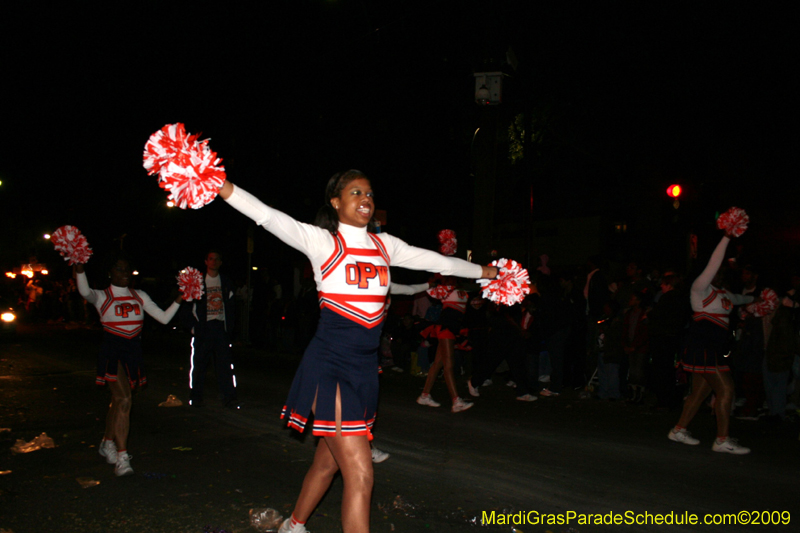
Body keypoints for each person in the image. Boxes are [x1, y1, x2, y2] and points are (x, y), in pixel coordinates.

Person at [217, 171, 496, 533]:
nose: (366, 198)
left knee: (328, 463)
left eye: (369, 193)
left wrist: (487, 272)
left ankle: (293, 525)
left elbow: (437, 262)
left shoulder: (385, 246)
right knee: (361, 474)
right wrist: (219, 184)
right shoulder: (321, 242)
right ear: (335, 202)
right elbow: (267, 215)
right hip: (329, 366)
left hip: (366, 371)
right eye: (355, 192)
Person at [75, 253, 182, 476]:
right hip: (112, 352)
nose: (125, 274)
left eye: (127, 270)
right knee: (124, 399)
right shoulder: (102, 296)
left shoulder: (139, 295)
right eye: (119, 269)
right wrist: (79, 268)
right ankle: (122, 457)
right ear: (110, 273)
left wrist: (181, 297)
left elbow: (163, 318)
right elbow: (84, 291)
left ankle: (107, 442)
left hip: (132, 352)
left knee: (117, 399)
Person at [668, 231, 754, 454]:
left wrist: (764, 300)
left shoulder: (723, 293)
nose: (719, 272)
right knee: (726, 389)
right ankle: (722, 439)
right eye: (716, 270)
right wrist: (727, 237)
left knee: (699, 393)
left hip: (713, 347)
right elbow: (714, 262)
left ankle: (678, 430)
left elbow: (744, 299)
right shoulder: (699, 288)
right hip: (702, 345)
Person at [181, 250, 239, 408]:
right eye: (211, 259)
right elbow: (187, 306)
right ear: (206, 262)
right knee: (199, 365)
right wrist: (193, 327)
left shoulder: (226, 282)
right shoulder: (198, 283)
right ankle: (196, 397)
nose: (214, 262)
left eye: (217, 259)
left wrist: (230, 328)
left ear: (220, 262)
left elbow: (232, 307)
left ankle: (228, 397)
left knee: (224, 365)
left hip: (220, 328)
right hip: (204, 328)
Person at [417, 277, 477, 411]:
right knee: (449, 365)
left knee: (438, 363)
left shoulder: (462, 289)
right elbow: (429, 289)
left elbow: (475, 290)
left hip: (453, 328)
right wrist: (434, 280)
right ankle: (456, 401)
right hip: (445, 327)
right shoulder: (444, 290)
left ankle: (424, 395)